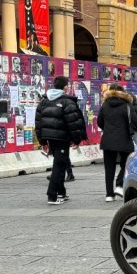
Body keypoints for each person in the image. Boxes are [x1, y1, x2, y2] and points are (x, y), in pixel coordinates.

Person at [35, 77, 87, 205]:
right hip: (62, 138)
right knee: (59, 166)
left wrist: (42, 141)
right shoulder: (67, 102)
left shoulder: (44, 101)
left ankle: (61, 193)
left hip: (50, 138)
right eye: (67, 85)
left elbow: (38, 122)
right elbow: (73, 122)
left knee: (60, 163)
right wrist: (77, 139)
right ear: (65, 87)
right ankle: (52, 195)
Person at [97, 83, 137, 202]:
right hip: (124, 139)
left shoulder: (105, 105)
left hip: (108, 140)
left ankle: (109, 195)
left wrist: (107, 129)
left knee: (109, 168)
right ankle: (119, 185)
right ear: (123, 93)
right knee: (126, 164)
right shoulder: (127, 105)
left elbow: (99, 122)